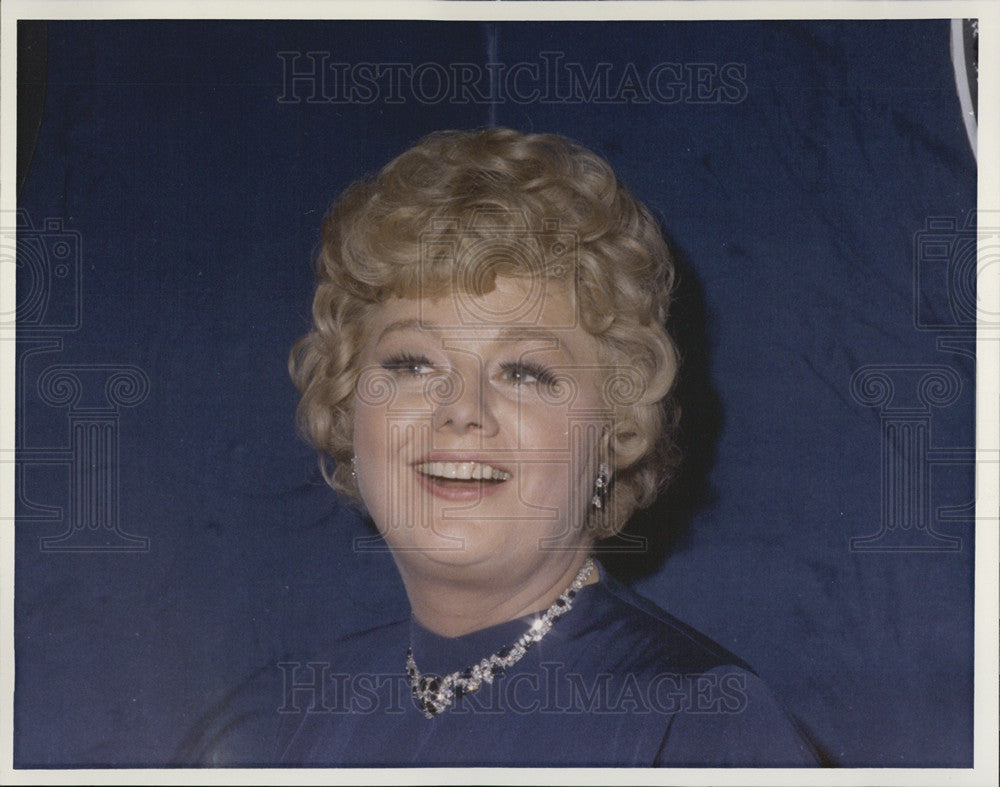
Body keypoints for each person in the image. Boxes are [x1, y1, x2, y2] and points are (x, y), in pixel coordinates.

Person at [180, 127, 819, 766]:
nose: (462, 411)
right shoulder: (297, 714)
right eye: (413, 364)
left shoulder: (698, 723)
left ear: (613, 433)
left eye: (525, 372)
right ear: (348, 410)